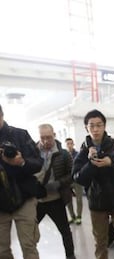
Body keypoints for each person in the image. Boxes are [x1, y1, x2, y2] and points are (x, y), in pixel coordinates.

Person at [72, 109, 114, 259]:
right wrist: (90, 163)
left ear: (105, 126)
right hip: (97, 203)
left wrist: (111, 162)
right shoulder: (83, 151)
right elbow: (78, 178)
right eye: (92, 126)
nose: (96, 129)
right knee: (100, 242)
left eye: (99, 125)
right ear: (86, 128)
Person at [0, 104, 43, 259]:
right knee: (1, 251)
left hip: (24, 199)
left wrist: (22, 162)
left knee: (29, 245)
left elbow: (38, 163)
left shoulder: (20, 135)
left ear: (2, 115)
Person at [35, 124, 76, 259]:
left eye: (49, 137)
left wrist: (59, 183)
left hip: (56, 200)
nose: (46, 141)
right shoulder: (32, 152)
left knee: (65, 231)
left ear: (54, 135)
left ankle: (70, 256)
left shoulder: (63, 154)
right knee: (30, 231)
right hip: (36, 201)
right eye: (42, 138)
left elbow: (72, 175)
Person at [64, 138, 83, 225]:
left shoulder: (78, 155)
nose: (69, 145)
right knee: (68, 200)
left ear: (73, 144)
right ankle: (72, 216)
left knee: (79, 199)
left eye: (71, 143)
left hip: (77, 180)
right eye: (68, 144)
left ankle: (79, 216)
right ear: (66, 145)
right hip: (67, 181)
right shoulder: (63, 155)